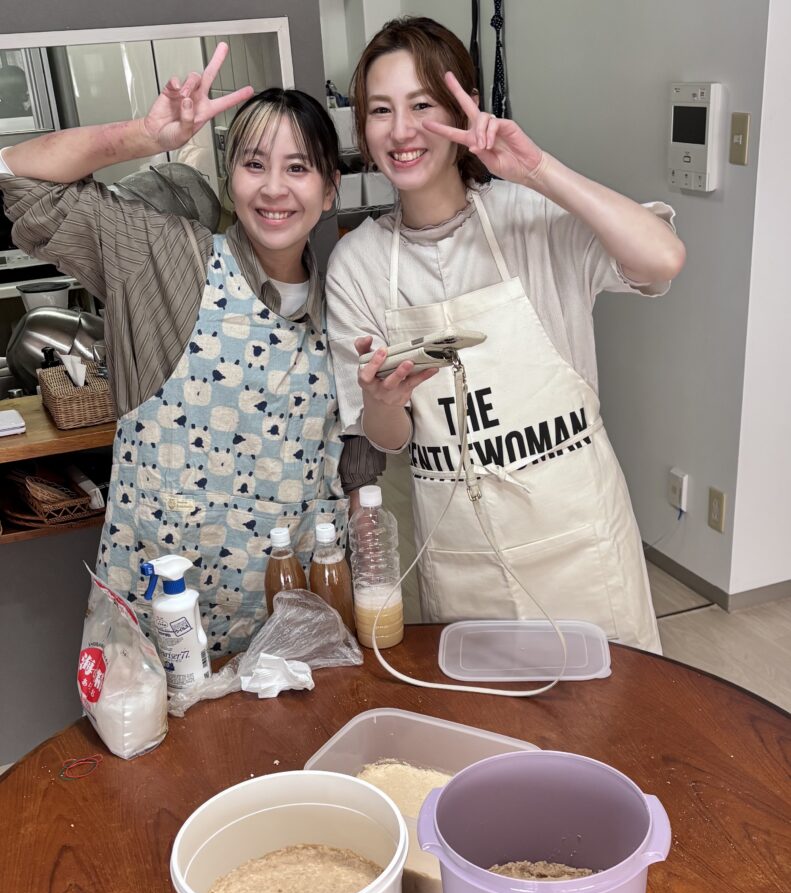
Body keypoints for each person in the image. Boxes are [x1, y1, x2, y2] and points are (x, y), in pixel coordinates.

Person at [0, 44, 382, 656]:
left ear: (331, 188)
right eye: (254, 164)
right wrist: (142, 136)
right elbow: (18, 178)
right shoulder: (165, 259)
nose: (274, 188)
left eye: (299, 168)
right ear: (230, 179)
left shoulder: (346, 305)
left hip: (293, 638)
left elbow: (359, 470)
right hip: (159, 639)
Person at [326, 18, 686, 653]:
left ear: (464, 108)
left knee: (609, 709)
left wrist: (538, 170)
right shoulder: (357, 264)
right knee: (483, 714)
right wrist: (383, 401)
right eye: (380, 110)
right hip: (463, 561)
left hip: (580, 548)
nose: (401, 130)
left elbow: (662, 260)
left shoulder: (532, 218)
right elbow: (388, 437)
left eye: (422, 105)